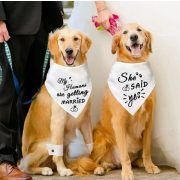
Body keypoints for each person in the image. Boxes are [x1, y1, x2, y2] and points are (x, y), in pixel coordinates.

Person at [68, 1, 180, 173]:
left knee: (149, 119)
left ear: (147, 40)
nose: (133, 35)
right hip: (110, 142)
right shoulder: (117, 83)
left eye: (138, 32)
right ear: (118, 44)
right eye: (127, 33)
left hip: (134, 146)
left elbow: (148, 123)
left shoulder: (148, 80)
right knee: (106, 130)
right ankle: (108, 163)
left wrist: (148, 159)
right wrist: (125, 166)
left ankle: (144, 158)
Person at [0, 2, 63, 179]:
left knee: (34, 96)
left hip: (43, 21)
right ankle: (4, 161)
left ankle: (24, 157)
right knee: (8, 95)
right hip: (11, 23)